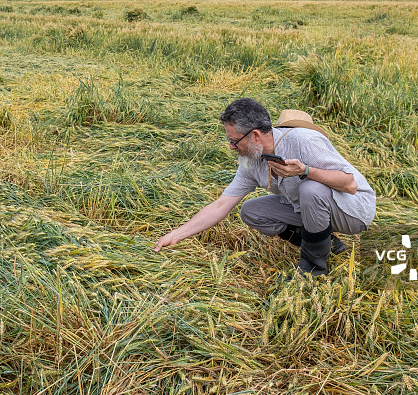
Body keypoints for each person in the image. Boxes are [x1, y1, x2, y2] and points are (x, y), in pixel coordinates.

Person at [153, 98, 376, 276]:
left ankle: (314, 268)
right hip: (311, 210)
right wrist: (177, 235)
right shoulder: (252, 160)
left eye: (234, 141)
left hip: (353, 210)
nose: (231, 147)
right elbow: (221, 204)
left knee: (311, 189)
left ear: (255, 135)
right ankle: (328, 243)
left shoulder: (304, 141)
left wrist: (305, 171)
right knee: (251, 211)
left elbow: (349, 184)